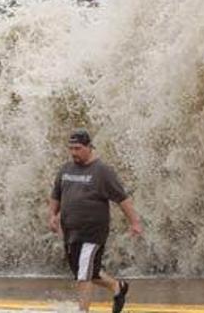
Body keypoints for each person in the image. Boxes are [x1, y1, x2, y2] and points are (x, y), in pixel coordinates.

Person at [48, 128, 143, 312]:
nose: (73, 153)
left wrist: (135, 222)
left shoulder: (102, 171)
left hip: (93, 232)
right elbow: (56, 195)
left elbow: (122, 199)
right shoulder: (65, 169)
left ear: (89, 147)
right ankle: (117, 287)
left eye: (78, 148)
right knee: (86, 271)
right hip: (71, 231)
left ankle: (83, 310)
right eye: (71, 148)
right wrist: (52, 215)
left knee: (84, 273)